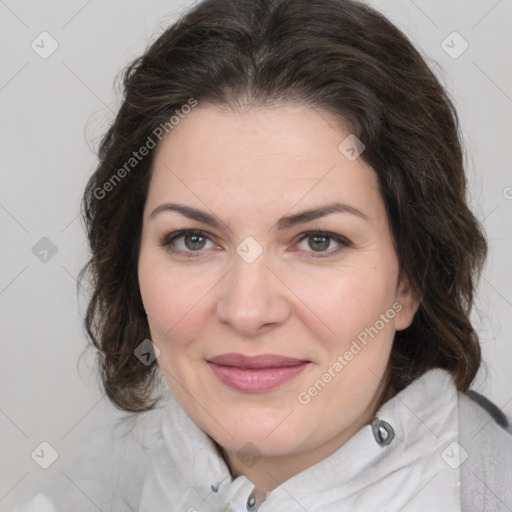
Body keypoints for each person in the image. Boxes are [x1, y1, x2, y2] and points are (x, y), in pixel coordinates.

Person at [16, 0, 512, 510]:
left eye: (319, 240)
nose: (247, 310)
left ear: (411, 276)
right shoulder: (83, 491)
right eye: (193, 239)